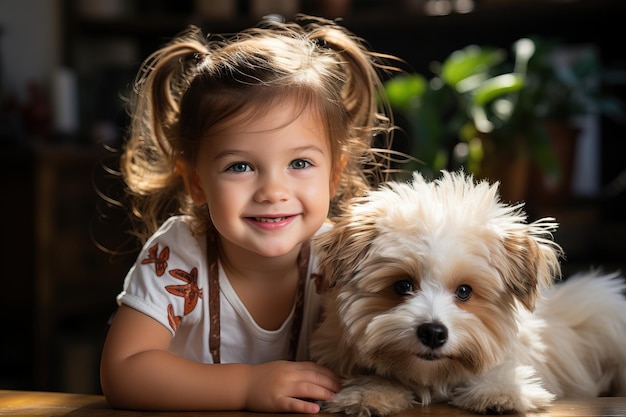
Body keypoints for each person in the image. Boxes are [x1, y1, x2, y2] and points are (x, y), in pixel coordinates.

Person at [100, 14, 405, 413]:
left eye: (299, 163)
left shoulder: (342, 258)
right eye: (239, 166)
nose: (273, 192)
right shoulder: (178, 256)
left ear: (334, 175)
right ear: (196, 182)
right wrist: (247, 385)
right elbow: (123, 372)